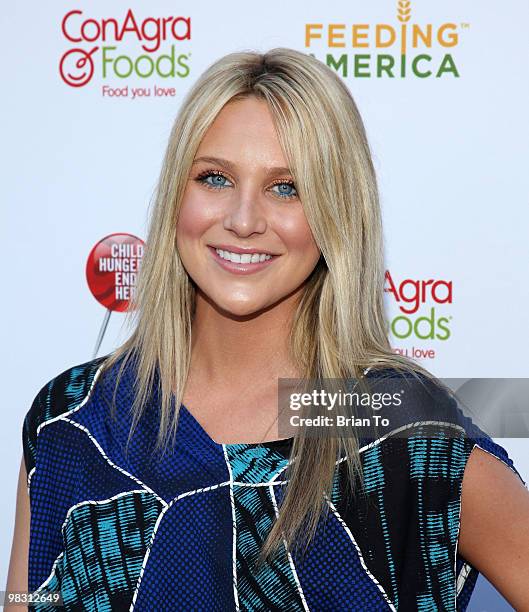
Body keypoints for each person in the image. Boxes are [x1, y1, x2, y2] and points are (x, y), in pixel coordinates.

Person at [6, 48, 529, 611]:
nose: (244, 220)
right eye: (214, 178)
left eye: (287, 188)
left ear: (336, 212)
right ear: (174, 197)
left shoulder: (381, 419)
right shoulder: (75, 417)